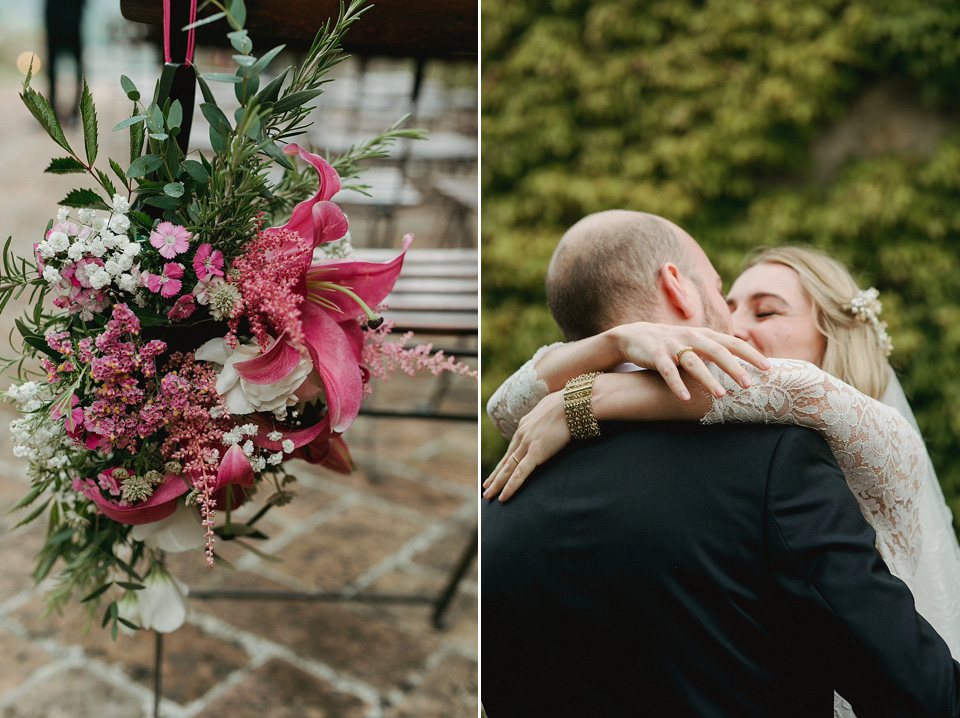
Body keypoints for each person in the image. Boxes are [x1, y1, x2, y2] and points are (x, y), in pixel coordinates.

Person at [481, 210, 960, 717]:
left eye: (768, 312)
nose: (738, 328)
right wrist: (606, 363)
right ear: (677, 286)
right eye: (721, 292)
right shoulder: (778, 468)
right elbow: (917, 694)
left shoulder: (501, 494)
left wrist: (589, 391)